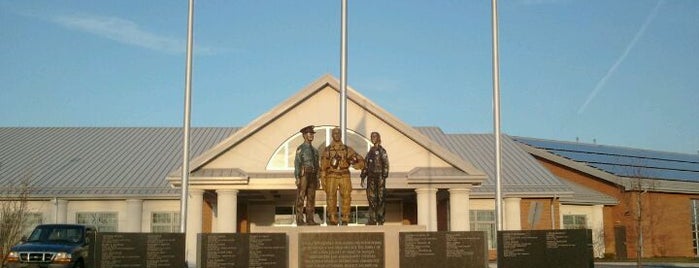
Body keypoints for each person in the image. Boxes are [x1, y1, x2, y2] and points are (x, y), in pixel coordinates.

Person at [320, 127, 364, 225]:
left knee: (346, 196)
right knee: (331, 196)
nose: (337, 135)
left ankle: (346, 217)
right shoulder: (327, 150)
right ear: (332, 135)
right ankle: (332, 217)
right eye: (335, 133)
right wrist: (323, 179)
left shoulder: (347, 149)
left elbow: (360, 160)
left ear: (341, 135)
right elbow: (323, 166)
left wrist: (357, 164)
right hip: (332, 174)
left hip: (344, 174)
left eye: (338, 133)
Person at [361, 132, 389, 225]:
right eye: (372, 137)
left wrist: (384, 175)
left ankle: (380, 218)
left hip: (380, 176)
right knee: (371, 197)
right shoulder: (370, 152)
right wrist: (363, 176)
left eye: (375, 136)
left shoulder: (382, 150)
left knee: (380, 198)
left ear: (378, 138)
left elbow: (385, 163)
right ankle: (372, 219)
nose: (373, 138)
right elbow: (366, 165)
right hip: (371, 177)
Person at [294, 125, 320, 225]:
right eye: (309, 134)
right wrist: (297, 177)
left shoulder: (315, 150)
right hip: (304, 174)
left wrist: (318, 179)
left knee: (311, 197)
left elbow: (317, 165)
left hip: (313, 175)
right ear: (304, 135)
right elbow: (297, 163)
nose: (311, 136)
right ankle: (300, 219)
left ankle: (310, 219)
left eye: (312, 134)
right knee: (301, 197)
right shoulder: (300, 148)